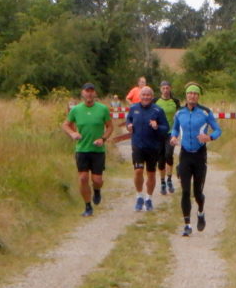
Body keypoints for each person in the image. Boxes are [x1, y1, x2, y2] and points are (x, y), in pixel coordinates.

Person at [169, 81, 221, 236]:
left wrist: (209, 137)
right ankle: (187, 224)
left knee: (197, 192)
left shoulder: (205, 112)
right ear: (186, 96)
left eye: (195, 94)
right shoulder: (180, 113)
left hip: (199, 155)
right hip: (185, 154)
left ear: (198, 96)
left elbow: (218, 130)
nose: (192, 96)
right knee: (185, 191)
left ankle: (200, 212)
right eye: (190, 93)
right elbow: (175, 128)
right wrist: (173, 137)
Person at [62, 82, 114, 217]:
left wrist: (103, 139)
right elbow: (66, 125)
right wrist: (73, 133)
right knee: (83, 178)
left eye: (91, 91)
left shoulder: (102, 109)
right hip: (82, 149)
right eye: (87, 91)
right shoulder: (76, 110)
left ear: (95, 93)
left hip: (97, 150)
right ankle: (87, 206)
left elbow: (110, 127)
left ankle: (97, 191)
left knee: (97, 180)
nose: (89, 94)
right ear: (82, 93)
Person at [126, 85, 169, 212]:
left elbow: (165, 128)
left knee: (151, 174)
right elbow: (129, 119)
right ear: (140, 96)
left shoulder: (158, 110)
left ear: (152, 96)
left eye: (148, 95)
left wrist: (157, 127)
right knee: (138, 171)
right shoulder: (134, 108)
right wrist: (129, 124)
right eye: (143, 95)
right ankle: (139, 195)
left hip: (153, 146)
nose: (146, 97)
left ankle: (148, 198)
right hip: (138, 145)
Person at [154, 80, 179, 195]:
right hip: (159, 133)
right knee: (161, 159)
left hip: (171, 132)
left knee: (169, 154)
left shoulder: (175, 101)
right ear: (160, 89)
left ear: (170, 88)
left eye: (167, 88)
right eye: (163, 88)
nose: (165, 90)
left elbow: (179, 116)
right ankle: (162, 182)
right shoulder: (155, 101)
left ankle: (169, 180)